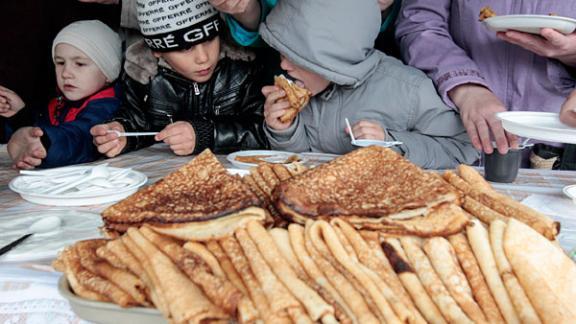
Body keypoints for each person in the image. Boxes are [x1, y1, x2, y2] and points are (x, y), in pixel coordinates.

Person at [259, 0, 478, 169]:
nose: (283, 65)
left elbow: (462, 149)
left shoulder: (408, 90)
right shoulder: (305, 87)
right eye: (282, 53)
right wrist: (285, 131)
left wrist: (391, 143)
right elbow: (303, 163)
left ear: (334, 56)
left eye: (297, 57)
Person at [396, 1, 576, 167]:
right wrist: (465, 86)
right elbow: (419, 22)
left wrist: (572, 53)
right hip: (455, 134)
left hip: (558, 145)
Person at [91, 0, 269, 158]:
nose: (203, 58)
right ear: (158, 51)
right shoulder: (144, 78)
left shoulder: (242, 69)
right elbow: (137, 123)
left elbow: (265, 131)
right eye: (185, 48)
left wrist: (205, 135)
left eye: (209, 40)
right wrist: (120, 134)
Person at [2, 20, 122, 169]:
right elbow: (35, 132)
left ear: (108, 72)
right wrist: (20, 115)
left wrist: (44, 143)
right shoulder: (59, 102)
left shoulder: (108, 106)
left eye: (79, 64)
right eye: (60, 63)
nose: (66, 73)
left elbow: (81, 137)